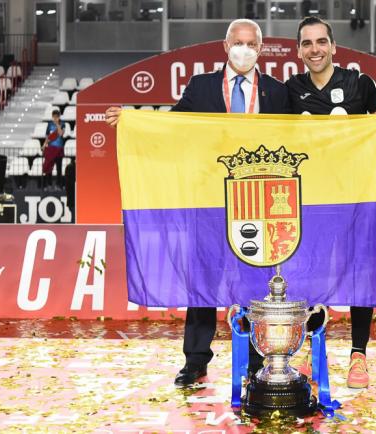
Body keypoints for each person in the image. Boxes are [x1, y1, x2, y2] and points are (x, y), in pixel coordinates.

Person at [105, 19, 291, 387]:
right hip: (207, 200)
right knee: (203, 279)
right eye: (238, 42)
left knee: (255, 281)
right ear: (225, 46)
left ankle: (256, 359)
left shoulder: (277, 92)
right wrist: (132, 121)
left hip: (256, 201)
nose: (244, 49)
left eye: (251, 43)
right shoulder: (202, 86)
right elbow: (172, 130)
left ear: (261, 48)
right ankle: (195, 360)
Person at [286, 16, 376, 390]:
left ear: (334, 46)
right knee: (308, 274)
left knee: (360, 273)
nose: (315, 49)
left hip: (358, 197)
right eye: (307, 44)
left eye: (321, 41)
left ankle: (358, 355)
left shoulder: (360, 84)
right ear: (299, 51)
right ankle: (309, 348)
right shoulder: (291, 90)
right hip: (314, 200)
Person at [42, 109, 65, 190]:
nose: (55, 118)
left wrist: (57, 125)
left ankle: (59, 185)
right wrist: (44, 144)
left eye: (56, 117)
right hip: (50, 149)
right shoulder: (49, 125)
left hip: (59, 149)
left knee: (59, 168)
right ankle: (49, 185)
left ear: (59, 117)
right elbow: (47, 136)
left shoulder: (62, 124)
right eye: (54, 117)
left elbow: (61, 134)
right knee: (49, 168)